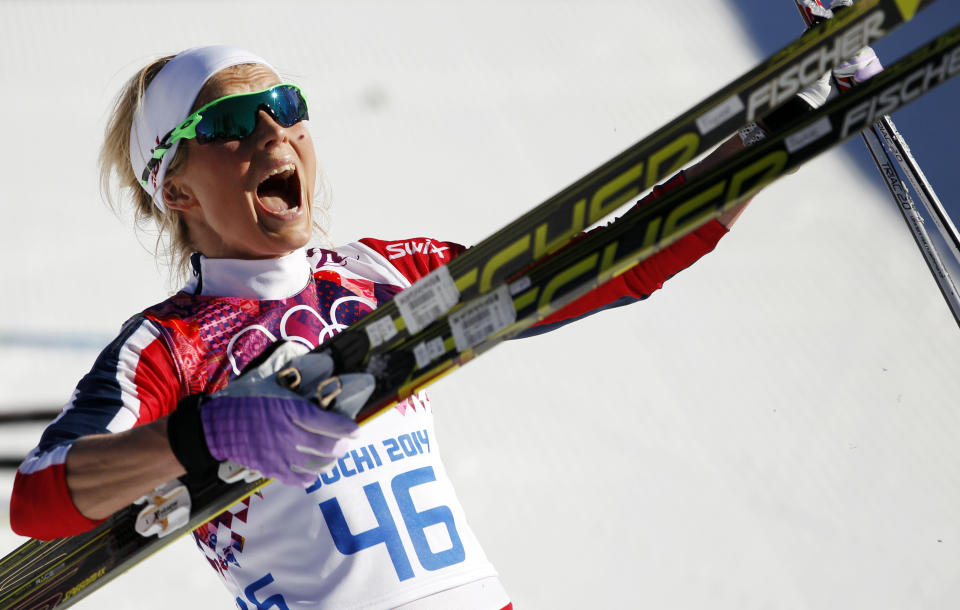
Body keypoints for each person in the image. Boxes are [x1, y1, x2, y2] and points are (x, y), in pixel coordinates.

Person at [9, 45, 760, 608]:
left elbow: (622, 264)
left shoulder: (385, 274)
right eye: (234, 124)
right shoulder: (169, 345)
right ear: (175, 185)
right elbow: (38, 498)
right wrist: (205, 435)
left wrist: (777, 127)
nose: (276, 136)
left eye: (288, 106)